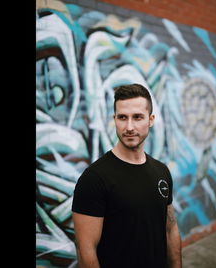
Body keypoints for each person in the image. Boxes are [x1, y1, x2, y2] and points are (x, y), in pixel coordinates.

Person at [72, 83, 182, 268]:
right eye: (122, 117)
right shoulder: (94, 179)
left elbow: (170, 229)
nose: (129, 127)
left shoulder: (161, 171)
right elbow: (86, 250)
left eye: (138, 117)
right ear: (114, 119)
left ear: (151, 119)